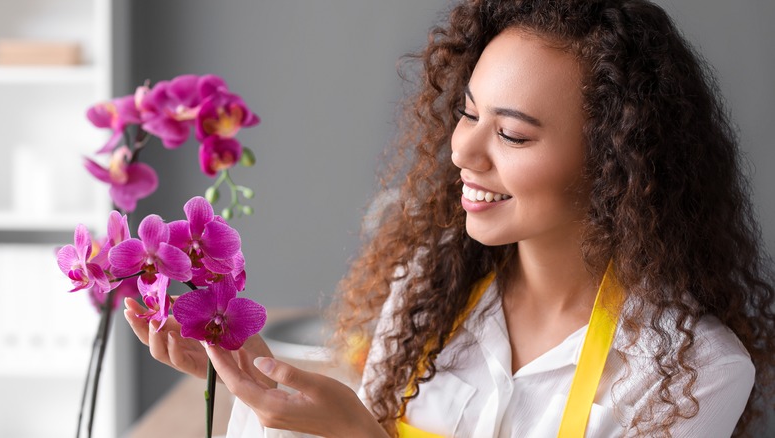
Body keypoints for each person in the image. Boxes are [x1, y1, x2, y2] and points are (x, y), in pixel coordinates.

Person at [124, 0, 775, 436]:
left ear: (616, 165)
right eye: (468, 114)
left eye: (513, 135)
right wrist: (256, 380)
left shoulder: (693, 371)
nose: (462, 150)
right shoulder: (428, 291)